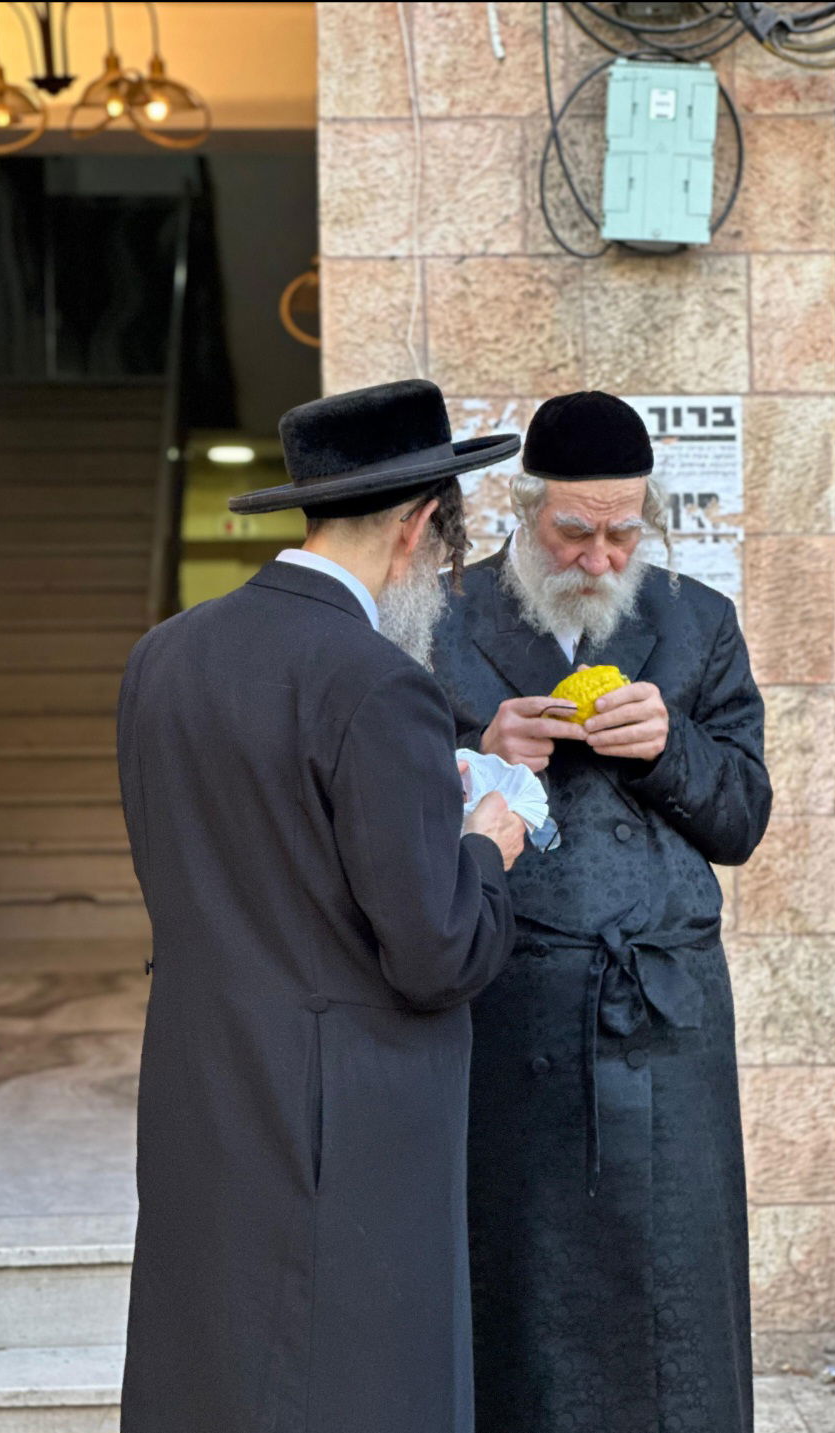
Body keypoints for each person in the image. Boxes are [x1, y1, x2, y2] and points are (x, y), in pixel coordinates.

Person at [117, 378, 527, 1433]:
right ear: (417, 525)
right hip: (343, 1120)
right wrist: (486, 840)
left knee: (211, 1373)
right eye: (443, 545)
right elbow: (436, 948)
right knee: (356, 1384)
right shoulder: (375, 678)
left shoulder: (160, 656)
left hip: (200, 1088)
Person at [431, 389, 773, 1433]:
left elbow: (744, 814)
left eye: (622, 531)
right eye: (572, 531)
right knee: (522, 1269)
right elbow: (384, 804)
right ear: (522, 512)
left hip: (664, 1012)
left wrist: (671, 747)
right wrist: (478, 754)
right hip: (510, 1003)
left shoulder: (698, 620)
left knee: (673, 1267)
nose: (597, 556)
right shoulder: (444, 619)